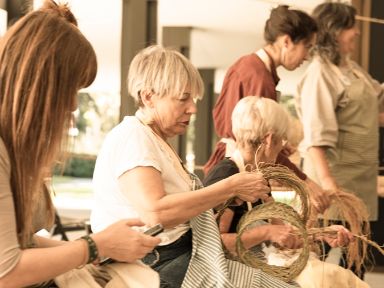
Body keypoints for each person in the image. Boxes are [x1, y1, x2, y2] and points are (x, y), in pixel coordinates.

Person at [90, 45, 299, 288]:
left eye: (193, 98)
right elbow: (156, 213)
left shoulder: (155, 141)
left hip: (179, 255)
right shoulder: (133, 137)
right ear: (148, 96)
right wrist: (230, 187)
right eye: (183, 99)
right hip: (158, 262)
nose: (193, 108)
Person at [0, 2, 160, 287]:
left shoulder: (14, 149)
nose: (73, 105)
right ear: (41, 82)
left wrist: (96, 249)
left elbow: (20, 242)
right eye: (70, 89)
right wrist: (95, 246)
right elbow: (7, 271)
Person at [204, 96, 367, 288]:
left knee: (338, 278)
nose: (284, 146)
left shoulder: (259, 176)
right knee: (324, 279)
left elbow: (283, 236)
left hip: (262, 262)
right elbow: (213, 243)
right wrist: (265, 232)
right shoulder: (227, 175)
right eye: (282, 139)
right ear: (270, 139)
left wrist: (322, 234)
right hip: (232, 272)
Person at [204, 5, 331, 214]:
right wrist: (307, 182)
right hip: (238, 173)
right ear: (286, 41)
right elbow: (262, 142)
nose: (307, 56)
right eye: (307, 47)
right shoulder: (259, 77)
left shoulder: (246, 64)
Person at [295, 2, 384, 277]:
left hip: (360, 183)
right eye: (350, 27)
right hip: (333, 186)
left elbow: (377, 108)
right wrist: (329, 186)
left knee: (355, 261)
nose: (356, 33)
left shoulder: (352, 68)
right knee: (321, 264)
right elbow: (314, 137)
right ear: (333, 32)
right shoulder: (320, 74)